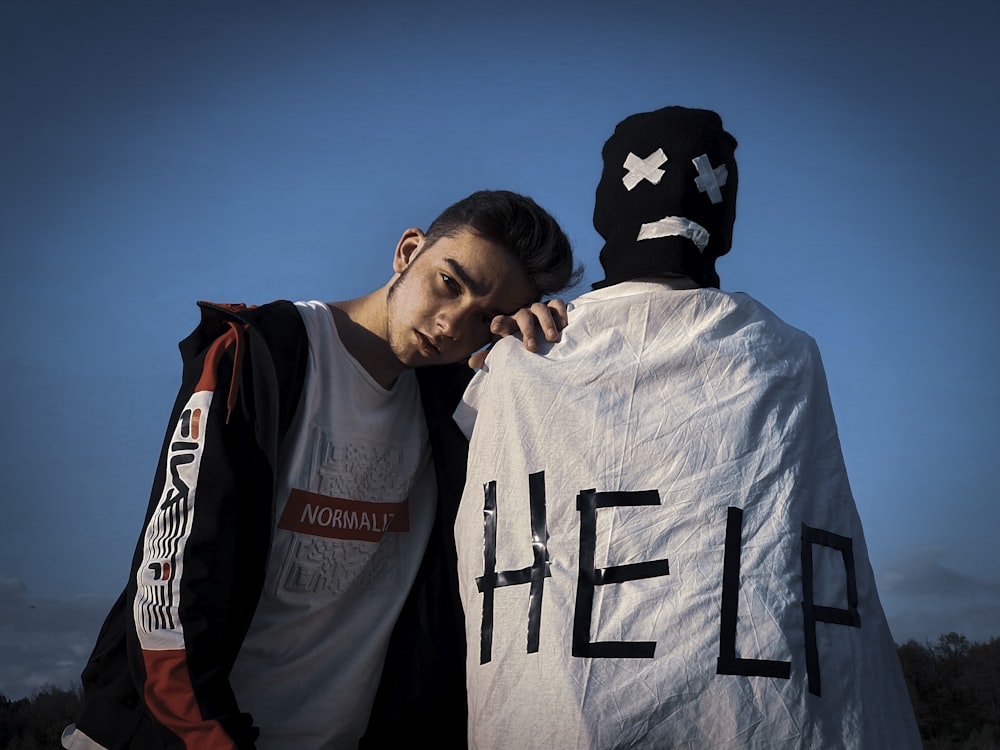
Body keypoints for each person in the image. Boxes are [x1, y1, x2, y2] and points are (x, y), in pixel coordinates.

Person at [453, 107, 921, 748]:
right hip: (751, 716)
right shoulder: (782, 353)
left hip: (560, 719)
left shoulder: (529, 354)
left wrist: (495, 362)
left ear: (606, 210)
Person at [62, 189, 580, 750]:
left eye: (485, 317)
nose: (453, 323)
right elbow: (170, 587)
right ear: (408, 252)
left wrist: (547, 355)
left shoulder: (459, 410)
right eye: (448, 283)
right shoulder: (261, 353)